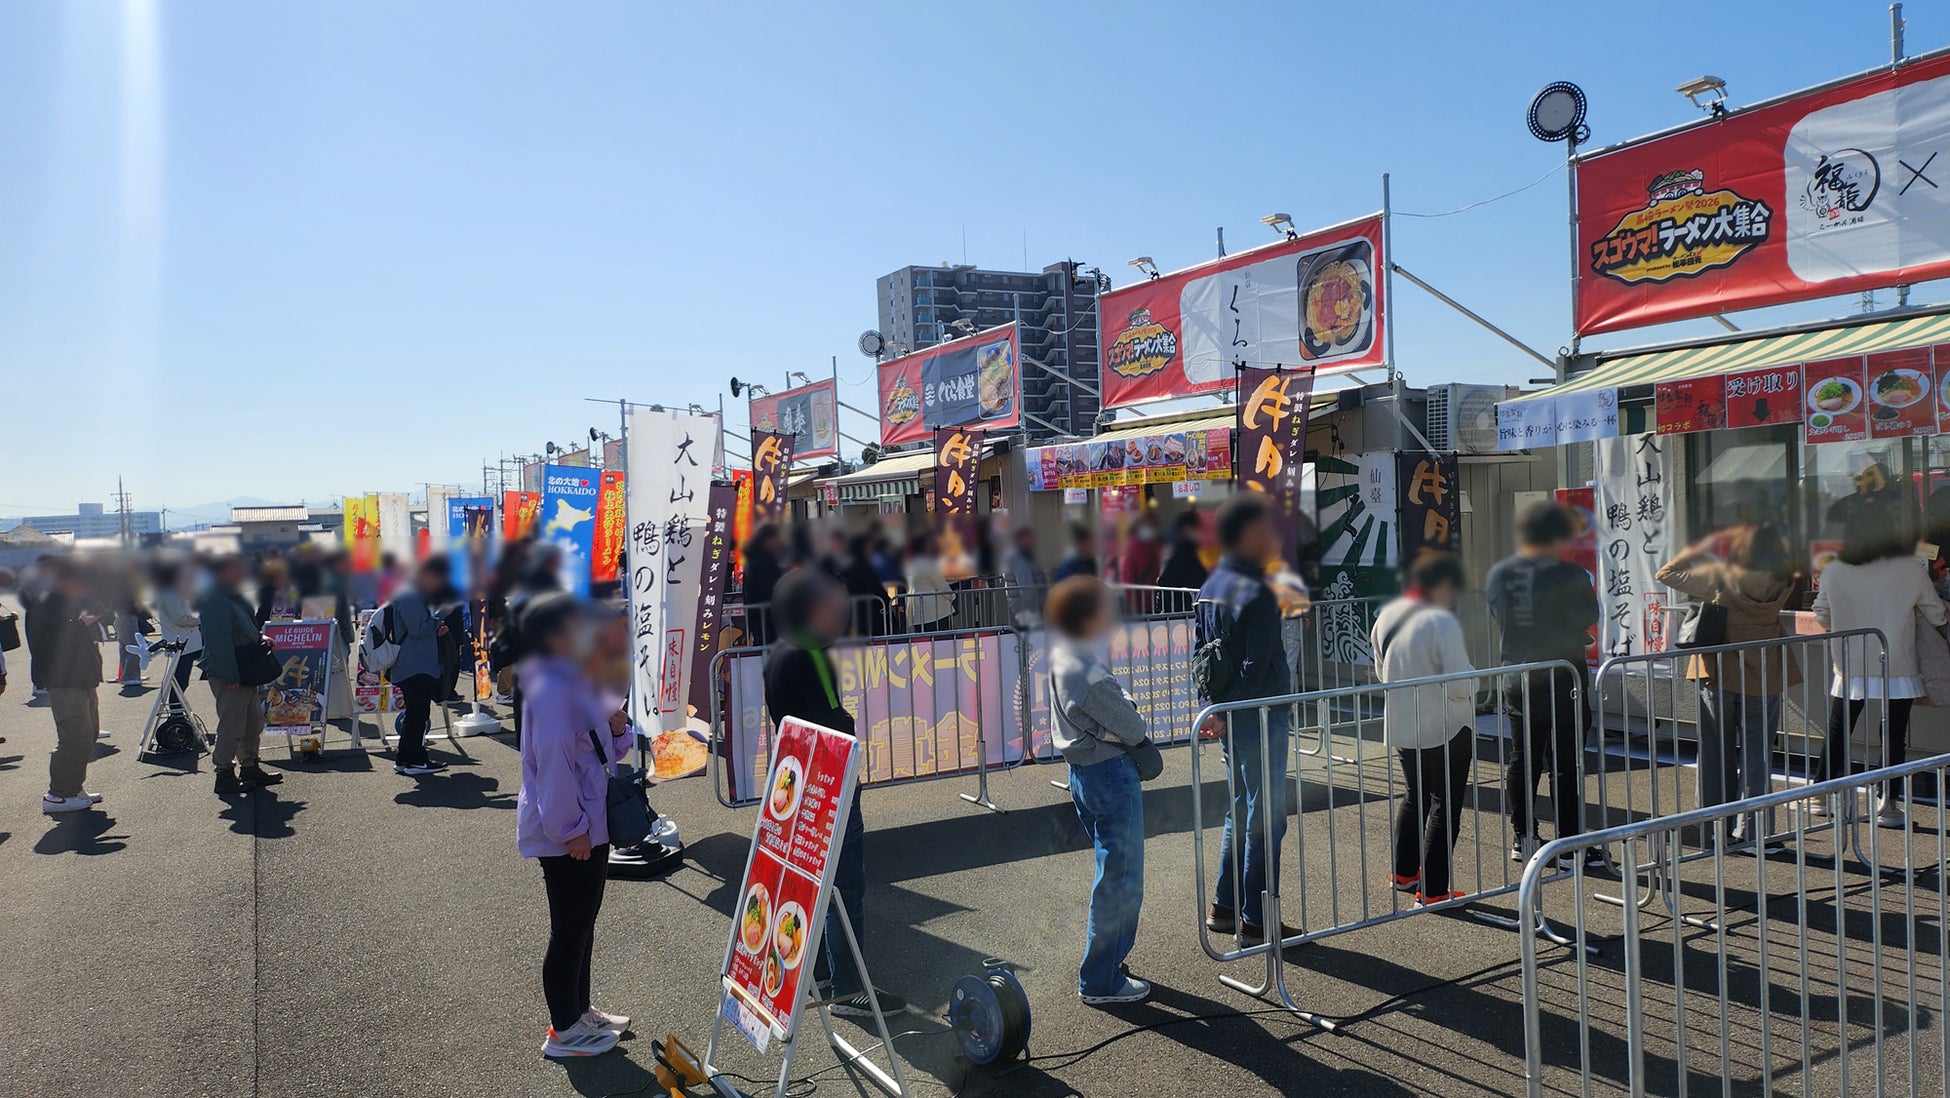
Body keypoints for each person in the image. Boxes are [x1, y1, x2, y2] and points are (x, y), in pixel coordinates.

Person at [762, 568, 906, 1018]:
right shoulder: (812, 652)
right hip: (829, 784)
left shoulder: (780, 649)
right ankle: (848, 988)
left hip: (800, 782)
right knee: (846, 886)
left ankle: (824, 974)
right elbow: (834, 722)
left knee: (819, 885)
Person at [515, 592, 636, 1059]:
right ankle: (564, 1028)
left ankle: (579, 1010)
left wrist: (618, 724)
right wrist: (571, 831)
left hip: (587, 821)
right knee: (569, 927)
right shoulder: (551, 690)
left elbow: (607, 751)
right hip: (569, 830)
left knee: (582, 924)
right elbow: (553, 770)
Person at [1046, 575, 1160, 1005]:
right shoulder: (1086, 667)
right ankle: (1101, 978)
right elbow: (1133, 726)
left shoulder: (1063, 655)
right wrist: (1129, 707)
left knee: (1111, 870)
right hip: (1109, 773)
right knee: (1121, 877)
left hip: (1085, 772)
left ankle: (1107, 964)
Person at [1657, 525, 1800, 849]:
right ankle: (1754, 831)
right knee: (1758, 755)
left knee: (1714, 752)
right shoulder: (1783, 579)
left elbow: (1666, 572)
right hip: (1765, 674)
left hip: (1719, 674)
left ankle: (1712, 827)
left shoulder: (1720, 576)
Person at [1195, 492, 1295, 946]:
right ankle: (1256, 920)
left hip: (1232, 717)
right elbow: (1257, 666)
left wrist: (1215, 710)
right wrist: (1228, 710)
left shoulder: (1209, 587)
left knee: (1240, 810)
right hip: (1261, 712)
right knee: (1267, 817)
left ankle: (1224, 905)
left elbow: (1202, 659)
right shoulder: (1259, 590)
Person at [1813, 505, 1947, 828]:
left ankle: (1819, 796)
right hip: (1897, 661)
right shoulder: (1909, 569)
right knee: (1893, 734)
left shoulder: (1834, 568)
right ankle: (1886, 804)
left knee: (1838, 728)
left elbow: (1821, 614)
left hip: (1850, 662)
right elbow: (1937, 614)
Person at [1485, 502, 1601, 869]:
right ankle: (1569, 847)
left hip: (1517, 678)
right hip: (1562, 678)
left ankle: (1524, 837)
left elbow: (1502, 618)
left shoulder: (1499, 574)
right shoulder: (1571, 575)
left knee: (1523, 759)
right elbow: (1589, 616)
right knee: (1566, 763)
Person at [1372, 554, 1477, 905]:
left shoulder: (1387, 616)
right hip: (1446, 725)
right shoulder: (1441, 621)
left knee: (1415, 796)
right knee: (1444, 807)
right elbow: (1460, 684)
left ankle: (1404, 873)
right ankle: (1432, 891)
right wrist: (1479, 680)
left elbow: (1379, 670)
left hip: (1404, 723)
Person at [197, 554, 286, 795]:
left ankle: (250, 767)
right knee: (233, 724)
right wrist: (230, 676)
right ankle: (224, 773)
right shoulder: (215, 598)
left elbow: (245, 626)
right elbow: (218, 642)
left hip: (244, 667)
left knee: (253, 721)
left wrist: (259, 637)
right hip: (231, 669)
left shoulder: (232, 594)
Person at [34, 560, 109, 813]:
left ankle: (74, 786)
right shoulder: (45, 603)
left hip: (83, 678)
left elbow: (101, 608)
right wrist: (82, 622)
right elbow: (50, 641)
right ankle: (58, 795)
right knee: (73, 737)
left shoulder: (69, 601)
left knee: (89, 735)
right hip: (64, 681)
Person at [385, 556, 457, 777]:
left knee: (415, 713)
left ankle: (405, 758)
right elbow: (417, 628)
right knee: (418, 714)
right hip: (415, 665)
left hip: (415, 663)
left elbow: (419, 629)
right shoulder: (410, 595)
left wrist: (436, 626)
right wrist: (441, 615)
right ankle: (415, 760)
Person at [153, 559, 203, 712]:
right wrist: (201, 619)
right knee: (179, 683)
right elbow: (180, 618)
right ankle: (176, 716)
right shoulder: (170, 594)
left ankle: (178, 714)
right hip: (182, 644)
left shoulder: (172, 592)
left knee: (180, 682)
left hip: (184, 642)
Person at [741, 524, 786, 644]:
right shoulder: (765, 564)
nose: (779, 543)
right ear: (766, 541)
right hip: (771, 622)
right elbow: (772, 592)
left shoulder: (752, 561)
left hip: (761, 620)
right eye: (777, 539)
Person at [902, 533, 955, 633]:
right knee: (941, 642)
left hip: (917, 613)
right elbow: (941, 585)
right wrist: (952, 597)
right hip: (935, 612)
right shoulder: (928, 564)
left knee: (924, 643)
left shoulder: (910, 564)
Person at [1156, 511, 1210, 596]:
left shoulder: (1180, 550)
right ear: (1187, 528)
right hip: (1185, 603)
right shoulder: (1184, 553)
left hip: (1180, 603)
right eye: (1197, 528)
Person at [1002, 525, 1046, 626]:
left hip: (1023, 606)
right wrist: (1035, 607)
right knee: (1036, 634)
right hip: (1028, 608)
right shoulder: (1020, 557)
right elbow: (1026, 586)